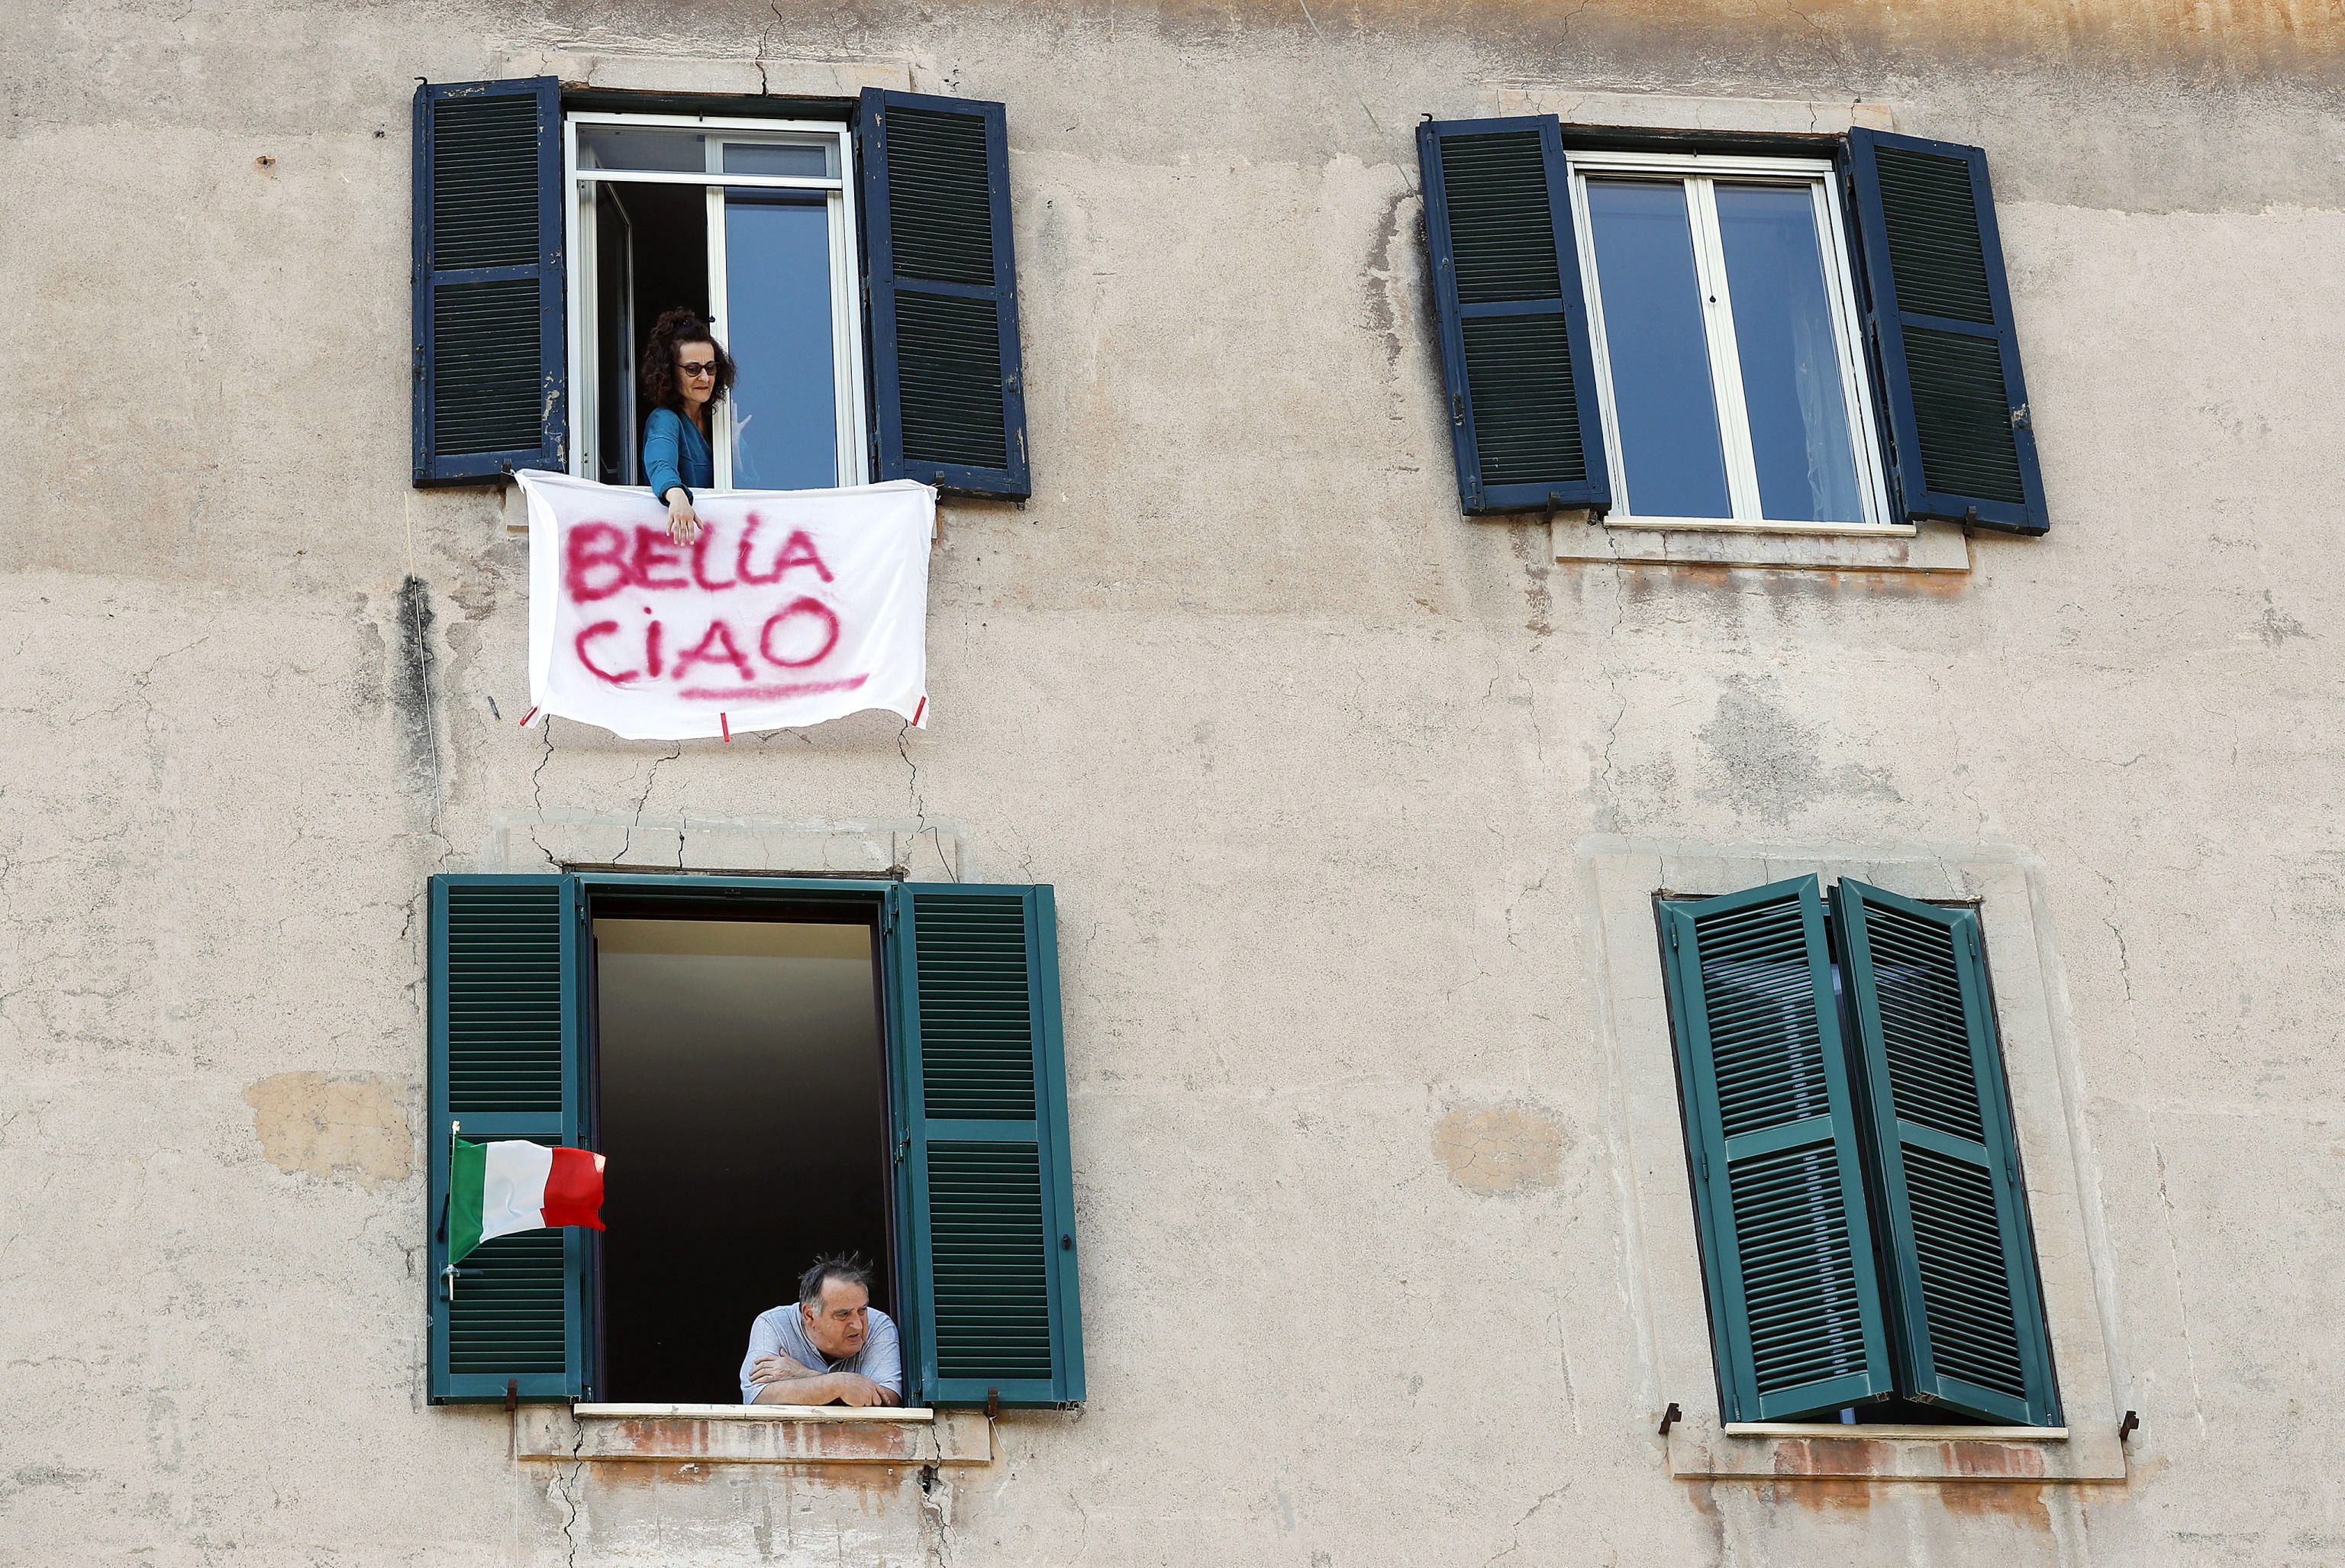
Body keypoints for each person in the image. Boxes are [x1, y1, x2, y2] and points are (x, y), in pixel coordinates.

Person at [740, 1254, 905, 1408]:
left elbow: (887, 1400)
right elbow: (757, 1396)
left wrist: (803, 1374)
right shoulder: (774, 1323)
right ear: (810, 1315)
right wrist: (840, 1385)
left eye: (862, 1310)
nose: (858, 1325)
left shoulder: (879, 1325)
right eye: (843, 1314)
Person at [639, 307, 736, 546]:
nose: (704, 378)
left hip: (726, 540)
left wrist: (737, 446)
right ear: (670, 372)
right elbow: (660, 464)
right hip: (686, 546)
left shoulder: (720, 425)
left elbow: (749, 484)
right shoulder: (666, 419)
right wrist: (676, 496)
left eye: (710, 368)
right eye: (693, 369)